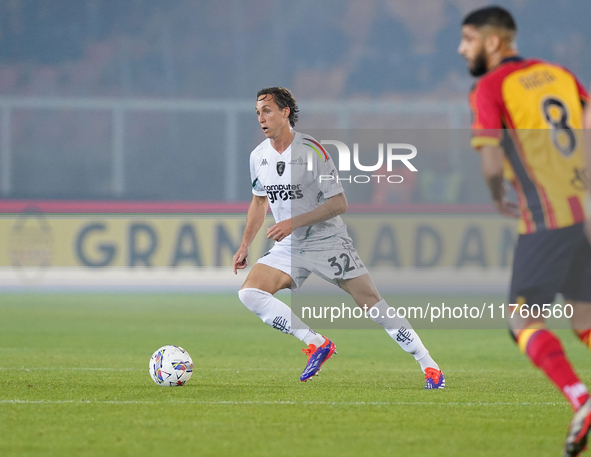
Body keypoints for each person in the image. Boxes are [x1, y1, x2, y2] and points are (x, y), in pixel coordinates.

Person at [232, 86, 444, 388]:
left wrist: (293, 222)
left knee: (373, 305)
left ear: (285, 112)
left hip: (327, 241)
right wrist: (244, 245)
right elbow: (258, 202)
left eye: (266, 111)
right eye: (257, 113)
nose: (261, 118)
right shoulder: (258, 157)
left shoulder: (313, 151)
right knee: (249, 293)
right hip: (291, 245)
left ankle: (429, 365)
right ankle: (316, 343)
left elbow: (339, 203)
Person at [458, 6, 591, 456]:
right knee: (585, 317)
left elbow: (491, 158)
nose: (462, 49)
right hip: (584, 209)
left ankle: (581, 399)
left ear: (493, 42)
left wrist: (497, 195)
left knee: (522, 319)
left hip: (546, 215)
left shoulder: (490, 86)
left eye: (468, 40)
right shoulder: (561, 75)